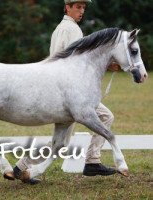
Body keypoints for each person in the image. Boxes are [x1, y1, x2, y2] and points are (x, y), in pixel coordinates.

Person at [13, 0, 119, 182]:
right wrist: (108, 65)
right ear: (67, 7)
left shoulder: (62, 28)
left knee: (61, 143)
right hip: (70, 92)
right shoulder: (71, 30)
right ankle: (92, 161)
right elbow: (77, 60)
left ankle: (21, 166)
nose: (81, 10)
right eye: (78, 7)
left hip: (62, 88)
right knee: (105, 117)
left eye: (83, 7)